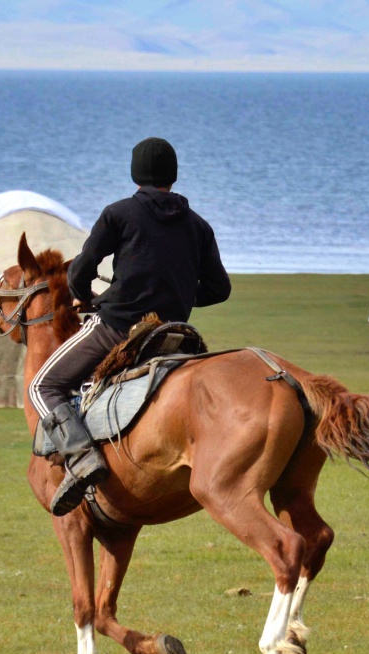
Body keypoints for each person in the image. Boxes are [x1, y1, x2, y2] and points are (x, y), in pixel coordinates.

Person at [29, 136, 231, 515]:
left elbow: (81, 270)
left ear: (135, 173)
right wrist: (182, 296)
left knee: (44, 385)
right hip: (172, 334)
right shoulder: (198, 226)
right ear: (173, 175)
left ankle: (82, 458)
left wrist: (83, 296)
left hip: (117, 328)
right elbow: (220, 289)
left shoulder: (118, 214)